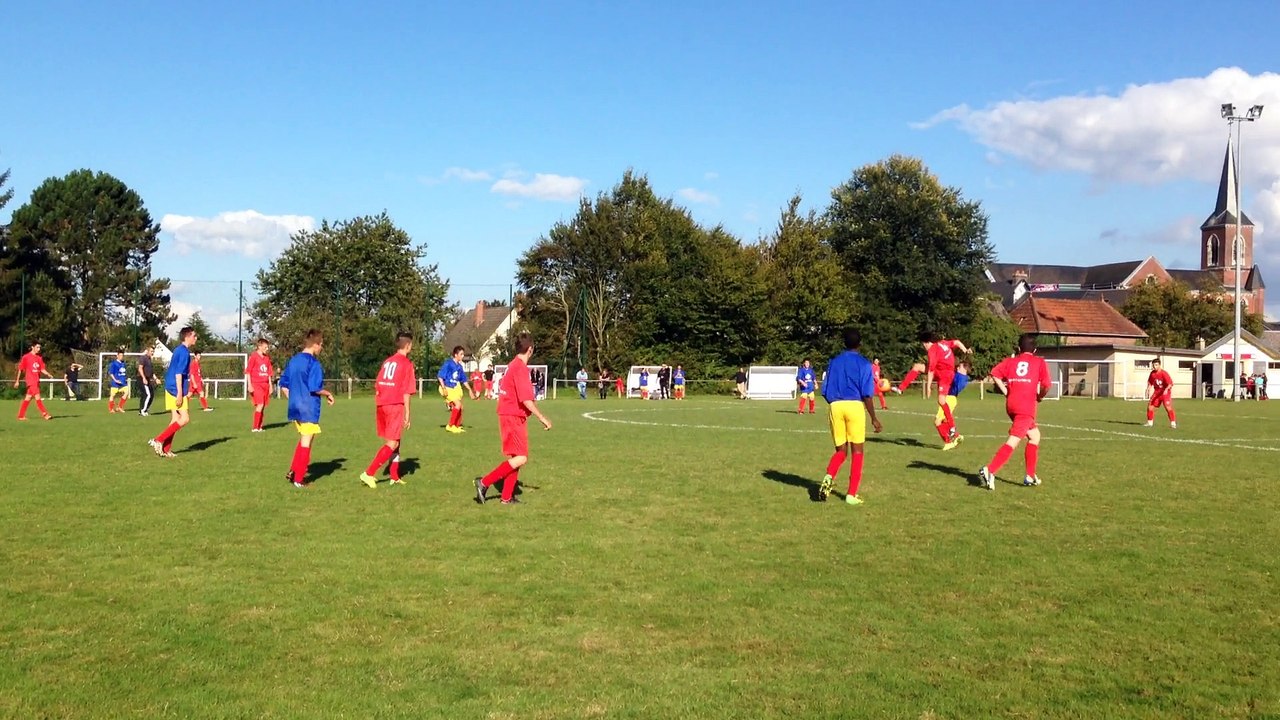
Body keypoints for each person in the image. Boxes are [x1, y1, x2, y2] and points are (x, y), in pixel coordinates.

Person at [474, 332, 552, 505]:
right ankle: (484, 482)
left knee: (517, 456)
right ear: (530, 349)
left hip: (508, 413)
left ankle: (506, 497)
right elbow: (525, 399)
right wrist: (542, 418)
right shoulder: (520, 368)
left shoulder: (512, 365)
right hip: (512, 415)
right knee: (521, 457)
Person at [817, 329, 883, 506]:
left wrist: (835, 403)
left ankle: (828, 477)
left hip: (835, 406)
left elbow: (824, 391)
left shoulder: (834, 362)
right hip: (854, 406)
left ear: (844, 343)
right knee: (858, 451)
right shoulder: (864, 364)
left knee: (841, 451)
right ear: (859, 344)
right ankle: (851, 494)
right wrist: (874, 418)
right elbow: (867, 394)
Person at [978, 334, 1051, 491]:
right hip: (1026, 407)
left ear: (1018, 349)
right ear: (1035, 350)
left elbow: (994, 373)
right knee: (1014, 441)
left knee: (1035, 436)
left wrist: (1006, 391)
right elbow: (1047, 384)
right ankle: (990, 470)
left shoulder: (1011, 361)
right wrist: (1040, 396)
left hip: (1012, 405)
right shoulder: (1039, 362)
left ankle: (1030, 475)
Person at [279, 330, 336, 488]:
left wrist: (294, 398)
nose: (321, 348)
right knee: (306, 441)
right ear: (316, 344)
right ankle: (299, 479)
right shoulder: (313, 363)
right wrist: (328, 393)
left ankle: (293, 471)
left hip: (295, 407)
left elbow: (283, 384)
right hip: (308, 407)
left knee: (305, 438)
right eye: (321, 345)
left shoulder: (294, 360)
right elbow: (314, 387)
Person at [360, 332, 416, 488]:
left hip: (382, 403)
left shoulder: (387, 362)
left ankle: (394, 476)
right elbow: (407, 391)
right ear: (408, 346)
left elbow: (377, 385)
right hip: (394, 405)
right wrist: (407, 414)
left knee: (395, 440)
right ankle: (369, 473)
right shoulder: (406, 364)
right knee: (392, 443)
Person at [895, 331, 971, 443]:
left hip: (944, 374)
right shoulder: (943, 343)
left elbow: (930, 370)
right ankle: (901, 388)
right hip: (941, 370)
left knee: (941, 401)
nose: (924, 347)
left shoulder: (932, 350)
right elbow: (956, 342)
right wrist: (965, 350)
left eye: (923, 344)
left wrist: (929, 386)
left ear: (927, 343)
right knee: (917, 367)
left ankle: (952, 427)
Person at [147, 327, 198, 458]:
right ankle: (158, 439)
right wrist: (180, 393)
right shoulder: (184, 353)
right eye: (194, 336)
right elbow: (178, 374)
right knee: (185, 418)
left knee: (175, 419)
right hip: (176, 389)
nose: (196, 338)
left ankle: (166, 449)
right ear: (187, 337)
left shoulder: (178, 350)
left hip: (170, 387)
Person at [14, 341, 55, 420]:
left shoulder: (39, 358)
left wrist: (48, 374)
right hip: (30, 380)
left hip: (36, 380)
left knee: (28, 398)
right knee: (37, 397)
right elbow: (21, 369)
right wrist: (17, 381)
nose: (39, 349)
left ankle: (21, 416)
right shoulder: (26, 357)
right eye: (37, 347)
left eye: (39, 347)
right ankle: (45, 414)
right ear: (32, 347)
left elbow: (42, 369)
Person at [437, 345, 474, 433]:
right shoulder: (448, 364)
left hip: (454, 389)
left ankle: (456, 426)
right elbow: (440, 376)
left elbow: (464, 380)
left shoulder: (459, 367)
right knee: (457, 404)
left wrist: (470, 390)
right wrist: (443, 388)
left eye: (463, 354)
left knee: (460, 406)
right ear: (455, 355)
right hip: (447, 388)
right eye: (461, 354)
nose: (462, 356)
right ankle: (450, 426)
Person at [937, 361, 970, 450]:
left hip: (949, 398)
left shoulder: (959, 377)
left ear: (964, 369)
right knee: (944, 421)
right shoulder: (964, 378)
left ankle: (948, 442)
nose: (957, 368)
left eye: (959, 367)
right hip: (952, 398)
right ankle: (957, 436)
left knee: (937, 421)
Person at [245, 338, 274, 432]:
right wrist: (249, 385)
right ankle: (255, 427)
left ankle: (260, 426)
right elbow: (248, 371)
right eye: (265, 347)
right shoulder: (253, 357)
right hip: (256, 384)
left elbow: (269, 373)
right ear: (259, 346)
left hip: (265, 385)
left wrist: (270, 385)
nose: (267, 349)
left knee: (263, 406)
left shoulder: (266, 358)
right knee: (260, 404)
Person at [1145, 359, 1177, 429]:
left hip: (1165, 393)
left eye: (1156, 365)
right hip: (1157, 393)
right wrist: (1148, 389)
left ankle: (1173, 423)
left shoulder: (1164, 373)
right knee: (1150, 407)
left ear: (1159, 365)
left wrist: (1166, 389)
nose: (1154, 366)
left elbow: (1170, 384)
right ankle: (1150, 423)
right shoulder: (1152, 373)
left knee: (1168, 407)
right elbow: (1150, 382)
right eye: (1153, 365)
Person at [107, 349, 130, 414]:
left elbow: (123, 372)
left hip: (123, 383)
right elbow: (111, 373)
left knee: (126, 392)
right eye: (120, 355)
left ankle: (120, 407)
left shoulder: (123, 364)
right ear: (117, 356)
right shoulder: (114, 364)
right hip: (115, 383)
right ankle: (111, 409)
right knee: (112, 395)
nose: (121, 357)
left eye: (122, 356)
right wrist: (115, 380)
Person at [137, 346, 158, 416]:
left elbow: (151, 372)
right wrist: (143, 378)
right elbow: (140, 368)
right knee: (147, 394)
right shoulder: (143, 358)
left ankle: (143, 409)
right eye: (151, 351)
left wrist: (156, 379)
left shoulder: (149, 360)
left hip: (147, 379)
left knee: (151, 394)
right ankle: (143, 410)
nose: (152, 353)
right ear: (147, 351)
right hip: (142, 378)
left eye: (153, 351)